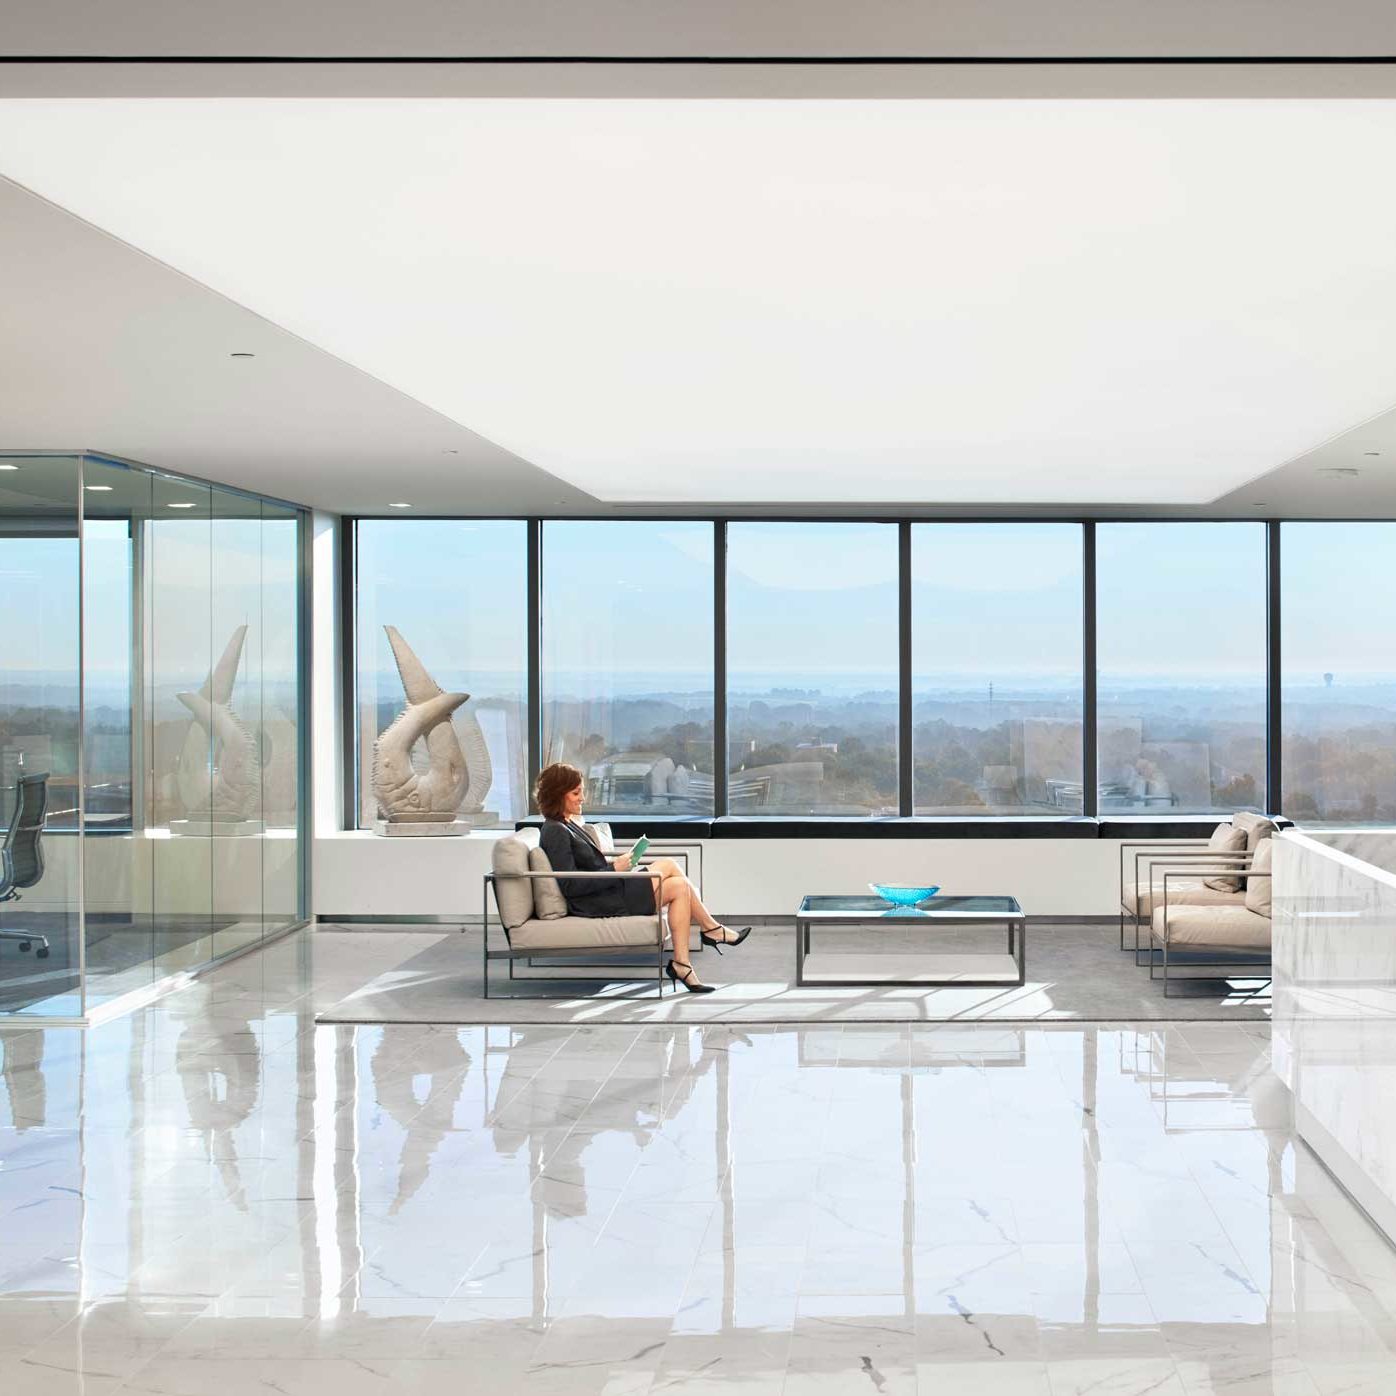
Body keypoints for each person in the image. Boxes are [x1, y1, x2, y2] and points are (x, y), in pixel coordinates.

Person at [535, 762, 752, 994]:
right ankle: (709, 934)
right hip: (596, 901)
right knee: (674, 876)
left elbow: (589, 866)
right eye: (576, 793)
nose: (583, 798)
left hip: (607, 889)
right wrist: (615, 869)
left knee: (677, 882)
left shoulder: (568, 824)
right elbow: (570, 884)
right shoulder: (554, 830)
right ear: (558, 794)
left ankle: (688, 958)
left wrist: (617, 865)